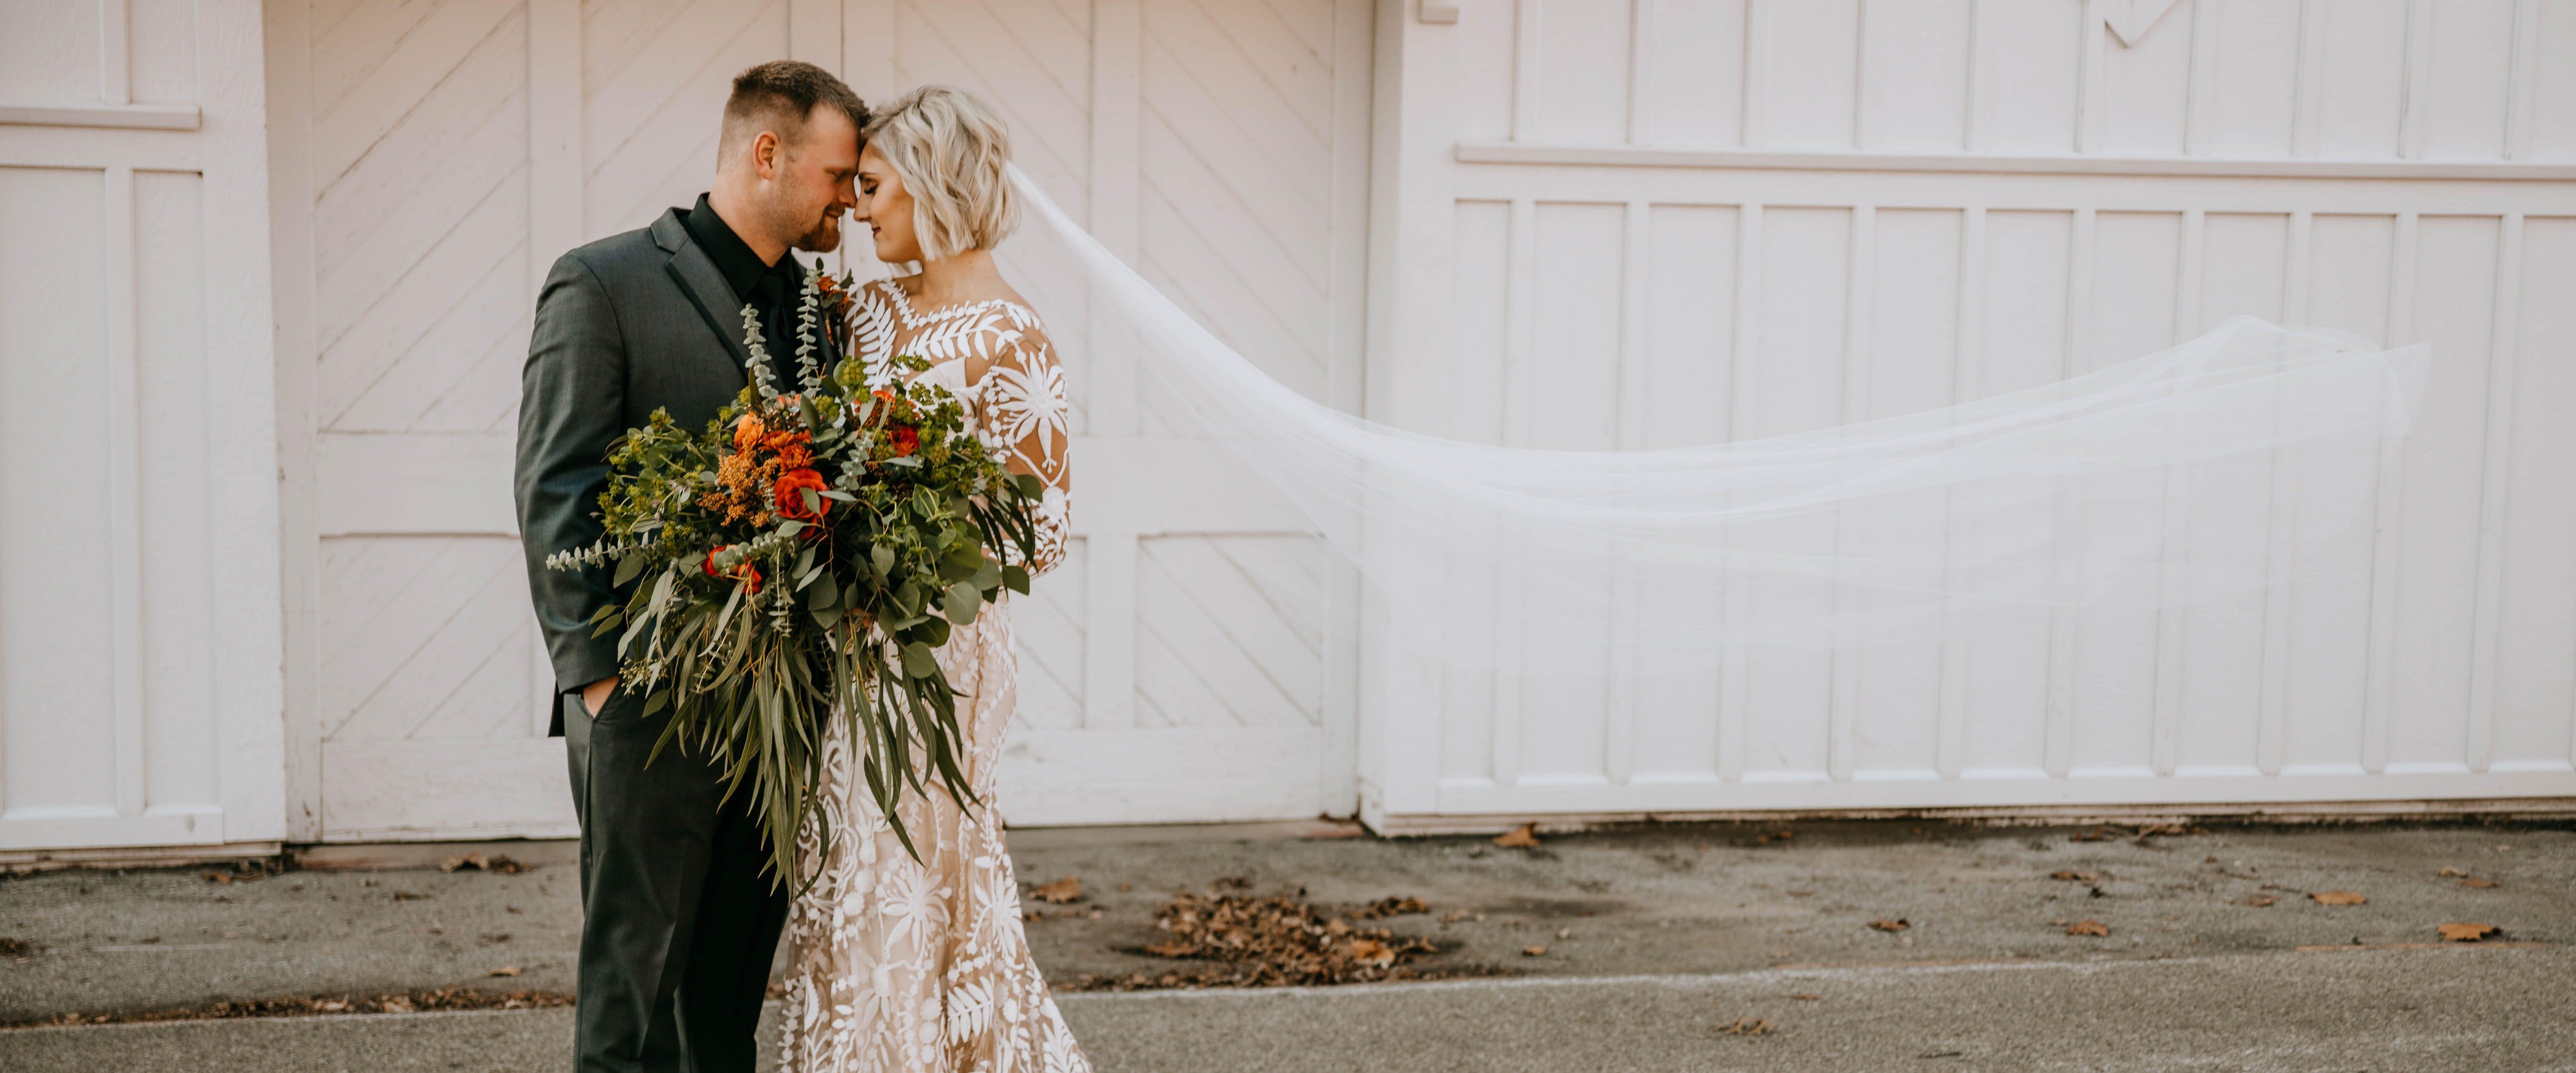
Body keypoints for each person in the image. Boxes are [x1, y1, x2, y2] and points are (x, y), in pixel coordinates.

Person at [513, 59, 866, 1073]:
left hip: (779, 712)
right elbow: (555, 485)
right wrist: (597, 677)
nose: (849, 196)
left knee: (725, 996)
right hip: (643, 698)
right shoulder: (605, 281)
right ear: (768, 152)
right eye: (839, 174)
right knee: (634, 987)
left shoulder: (826, 317)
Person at [772, 84, 1086, 1073]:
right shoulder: (866, 309)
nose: (857, 208)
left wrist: (909, 543)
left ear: (933, 182)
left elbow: (1042, 530)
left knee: (921, 872)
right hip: (851, 646)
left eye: (871, 185)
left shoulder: (1013, 339)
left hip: (943, 654)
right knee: (851, 868)